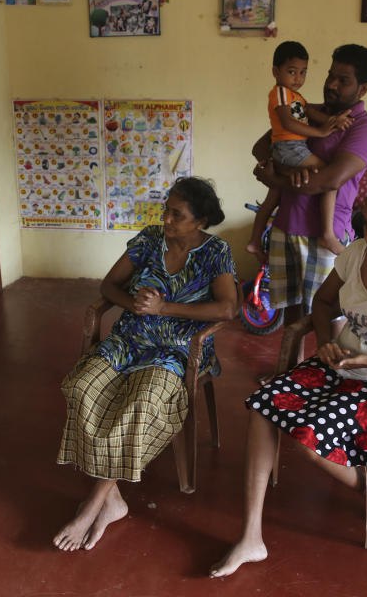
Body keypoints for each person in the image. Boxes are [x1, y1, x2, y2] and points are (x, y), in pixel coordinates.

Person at [210, 182, 367, 578]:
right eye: (366, 224)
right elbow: (324, 301)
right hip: (342, 364)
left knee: (307, 433)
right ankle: (251, 538)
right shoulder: (356, 253)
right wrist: (328, 343)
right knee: (265, 406)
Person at [53, 177, 239, 552]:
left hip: (175, 351)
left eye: (177, 214)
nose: (166, 219)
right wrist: (132, 303)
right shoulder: (150, 239)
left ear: (200, 221)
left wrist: (164, 308)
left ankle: (93, 505)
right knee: (81, 385)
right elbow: (109, 286)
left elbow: (228, 308)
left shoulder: (216, 251)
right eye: (166, 210)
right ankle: (114, 500)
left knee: (140, 404)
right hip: (129, 341)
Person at [250, 44, 367, 332]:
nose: (331, 85)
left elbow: (328, 181)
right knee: (293, 321)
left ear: (364, 88)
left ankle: (330, 377)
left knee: (329, 320)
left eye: (343, 80)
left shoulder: (365, 128)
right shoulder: (308, 111)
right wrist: (282, 167)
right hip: (286, 227)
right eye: (330, 76)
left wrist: (275, 180)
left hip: (327, 237)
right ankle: (288, 374)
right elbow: (262, 146)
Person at [247, 41, 353, 266]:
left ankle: (254, 241)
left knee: (273, 195)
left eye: (303, 72)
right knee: (329, 177)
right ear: (276, 72)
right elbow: (288, 122)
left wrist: (335, 121)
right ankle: (327, 233)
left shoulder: (296, 97)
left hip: (288, 150)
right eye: (291, 71)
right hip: (289, 148)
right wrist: (321, 132)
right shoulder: (281, 94)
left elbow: (312, 113)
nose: (298, 78)